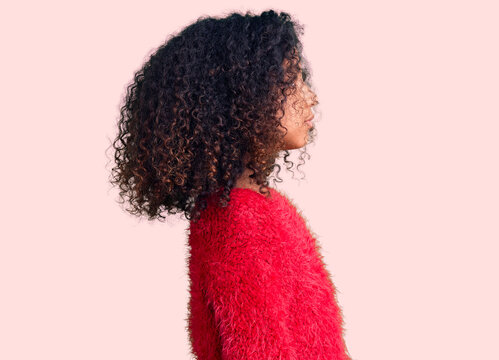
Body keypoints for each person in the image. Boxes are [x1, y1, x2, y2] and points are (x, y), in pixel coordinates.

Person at [110, 9, 352, 360]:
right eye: (292, 79)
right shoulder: (233, 221)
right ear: (243, 96)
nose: (310, 96)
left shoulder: (267, 210)